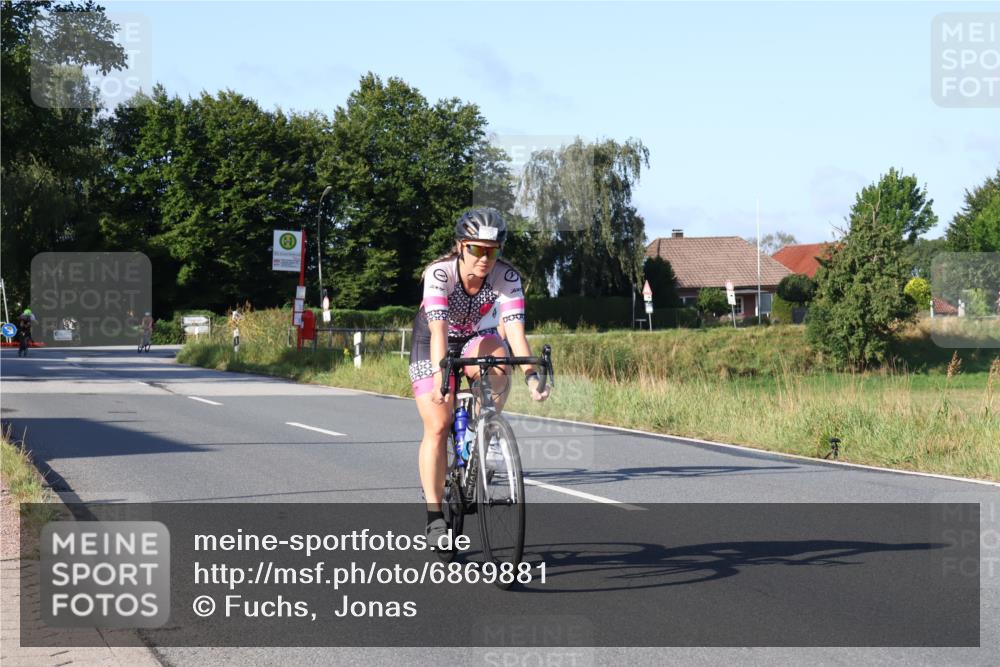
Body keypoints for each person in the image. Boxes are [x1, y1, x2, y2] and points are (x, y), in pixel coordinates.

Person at [409, 208, 550, 547]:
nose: (485, 258)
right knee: (439, 425)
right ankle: (434, 516)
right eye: (476, 249)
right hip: (433, 339)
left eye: (493, 250)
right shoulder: (440, 274)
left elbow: (515, 333)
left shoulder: (507, 277)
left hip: (475, 338)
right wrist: (444, 378)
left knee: (499, 355)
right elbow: (439, 331)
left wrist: (531, 375)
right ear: (460, 246)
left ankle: (485, 426)